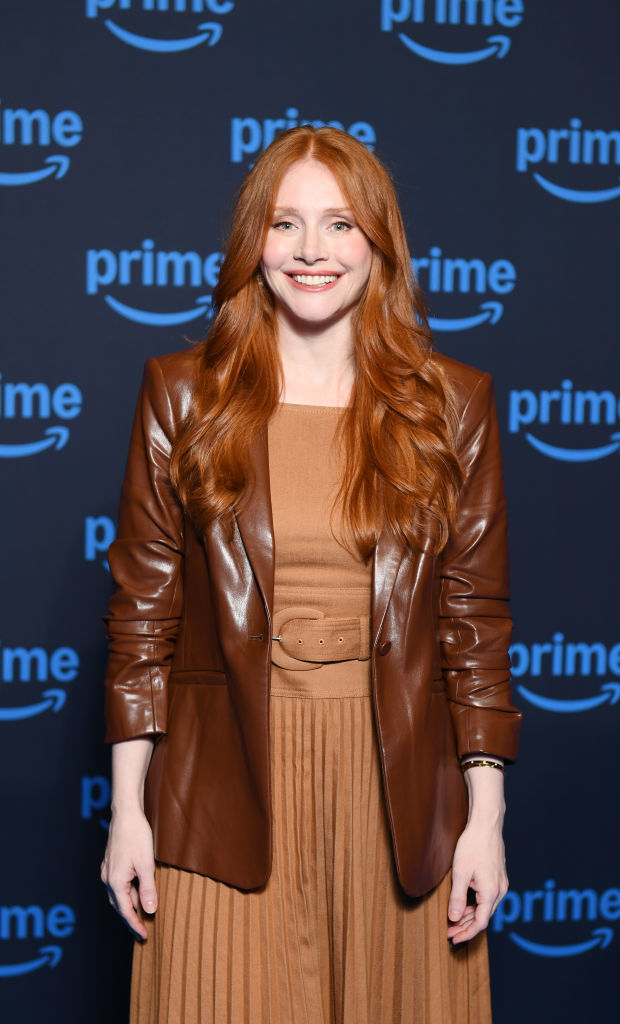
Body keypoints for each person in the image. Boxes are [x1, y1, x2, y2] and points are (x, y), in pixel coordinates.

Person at [101, 125, 521, 1024]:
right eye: (285, 225)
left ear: (378, 242)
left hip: (399, 793)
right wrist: (126, 811)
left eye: (338, 225)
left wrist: (484, 819)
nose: (311, 251)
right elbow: (143, 616)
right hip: (220, 789)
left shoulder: (453, 404)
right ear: (255, 244)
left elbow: (473, 623)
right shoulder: (182, 394)